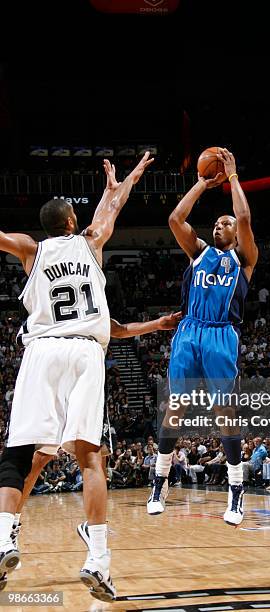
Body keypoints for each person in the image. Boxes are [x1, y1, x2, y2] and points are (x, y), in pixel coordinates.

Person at [0, 152, 153, 601]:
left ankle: (4, 538)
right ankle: (98, 560)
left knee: (20, 457)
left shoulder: (31, 248)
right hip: (86, 352)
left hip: (42, 351)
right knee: (90, 459)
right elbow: (114, 207)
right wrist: (130, 177)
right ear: (71, 219)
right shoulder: (91, 240)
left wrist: (116, 187)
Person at [0, 311, 181, 592]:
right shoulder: (84, 288)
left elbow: (115, 328)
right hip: (76, 362)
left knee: (39, 457)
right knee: (92, 456)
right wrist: (156, 325)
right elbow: (116, 329)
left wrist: (155, 325)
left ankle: (9, 528)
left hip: (45, 361)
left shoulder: (50, 299)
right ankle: (93, 542)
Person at [147, 148, 258, 525]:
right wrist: (201, 183)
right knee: (175, 408)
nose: (219, 226)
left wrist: (233, 178)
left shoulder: (243, 260)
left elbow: (243, 215)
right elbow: (175, 218)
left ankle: (236, 490)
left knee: (225, 414)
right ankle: (159, 481)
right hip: (190, 330)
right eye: (216, 224)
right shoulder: (198, 253)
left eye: (224, 224)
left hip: (222, 336)